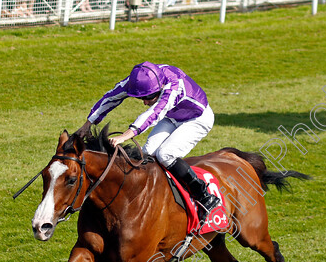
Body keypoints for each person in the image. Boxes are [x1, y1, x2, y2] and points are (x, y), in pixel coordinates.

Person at [80, 62, 221, 221]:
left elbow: (155, 113)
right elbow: (111, 97)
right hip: (172, 116)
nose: (144, 102)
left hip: (196, 119)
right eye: (140, 98)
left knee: (165, 154)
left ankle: (204, 195)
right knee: (147, 153)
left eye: (147, 97)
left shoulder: (174, 86)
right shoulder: (140, 78)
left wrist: (125, 135)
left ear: (160, 88)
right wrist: (87, 125)